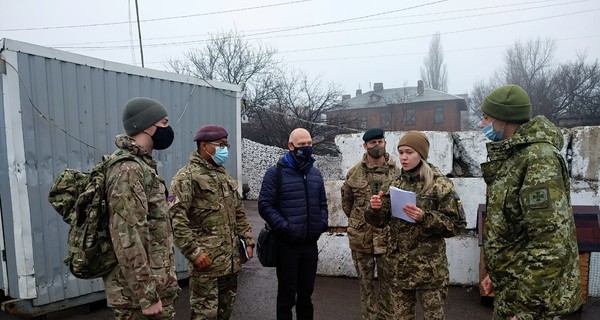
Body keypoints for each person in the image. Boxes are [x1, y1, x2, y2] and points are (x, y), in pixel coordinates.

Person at [478, 84, 581, 320]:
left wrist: (527, 310)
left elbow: (550, 243)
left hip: (534, 302)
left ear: (505, 119)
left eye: (486, 117)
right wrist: (497, 274)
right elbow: (512, 229)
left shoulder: (539, 160)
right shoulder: (514, 156)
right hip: (513, 289)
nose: (482, 124)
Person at [366, 131, 466, 320]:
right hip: (400, 268)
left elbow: (456, 225)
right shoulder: (394, 183)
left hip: (429, 270)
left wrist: (425, 217)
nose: (403, 157)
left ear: (421, 154)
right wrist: (375, 209)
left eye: (409, 152)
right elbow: (379, 222)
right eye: (401, 152)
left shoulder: (440, 185)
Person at [103, 97, 181, 319]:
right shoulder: (127, 169)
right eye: (164, 122)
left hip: (155, 288)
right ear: (148, 125)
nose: (168, 128)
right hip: (138, 299)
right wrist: (146, 296)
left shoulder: (142, 166)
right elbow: (127, 235)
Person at [169, 125, 255, 320]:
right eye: (221, 145)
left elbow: (239, 212)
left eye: (226, 144)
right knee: (204, 315)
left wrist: (248, 240)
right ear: (204, 146)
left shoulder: (224, 176)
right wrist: (194, 252)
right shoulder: (186, 177)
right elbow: (176, 219)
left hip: (230, 263)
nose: (225, 149)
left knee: (225, 313)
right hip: (206, 266)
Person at [258, 128, 328, 320]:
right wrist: (285, 227)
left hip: (309, 245)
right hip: (287, 244)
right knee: (287, 297)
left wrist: (321, 223)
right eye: (301, 145)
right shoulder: (275, 173)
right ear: (290, 146)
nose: (306, 148)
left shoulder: (315, 174)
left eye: (309, 144)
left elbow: (322, 204)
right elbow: (265, 205)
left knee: (306, 296)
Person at [341, 128, 399, 320]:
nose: (377, 146)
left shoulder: (397, 172)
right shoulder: (354, 173)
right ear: (365, 146)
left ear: (385, 143)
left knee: (389, 287)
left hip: (388, 240)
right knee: (366, 287)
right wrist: (360, 221)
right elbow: (346, 203)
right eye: (372, 143)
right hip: (361, 239)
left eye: (380, 141)